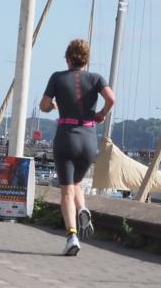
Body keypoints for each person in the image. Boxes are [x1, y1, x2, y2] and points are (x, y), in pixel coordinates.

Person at [39, 39, 115, 256]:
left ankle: (72, 235)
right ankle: (82, 208)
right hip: (89, 140)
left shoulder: (57, 77)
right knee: (76, 184)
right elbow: (112, 98)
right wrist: (101, 114)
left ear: (68, 58)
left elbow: (44, 105)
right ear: (86, 59)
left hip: (66, 137)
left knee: (66, 191)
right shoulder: (96, 78)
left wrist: (52, 105)